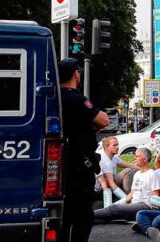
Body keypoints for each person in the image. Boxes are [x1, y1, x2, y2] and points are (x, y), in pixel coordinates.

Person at [59, 57, 109, 242]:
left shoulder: (53, 97)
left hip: (60, 167)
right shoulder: (75, 99)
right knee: (83, 217)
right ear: (75, 74)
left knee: (63, 217)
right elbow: (103, 121)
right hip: (79, 168)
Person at [94, 148, 160, 222]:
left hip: (145, 205)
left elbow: (155, 194)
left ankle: (87, 216)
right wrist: (118, 203)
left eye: (137, 156)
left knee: (114, 209)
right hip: (134, 204)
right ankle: (87, 218)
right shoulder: (137, 174)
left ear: (145, 159)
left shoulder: (151, 173)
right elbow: (131, 194)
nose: (135, 158)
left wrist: (155, 213)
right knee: (113, 209)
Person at [97, 137, 130, 207]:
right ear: (106, 147)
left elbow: (125, 164)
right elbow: (109, 183)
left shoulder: (114, 157)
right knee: (127, 171)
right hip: (99, 190)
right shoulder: (105, 161)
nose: (117, 147)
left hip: (107, 184)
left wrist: (140, 167)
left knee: (129, 170)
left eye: (117, 144)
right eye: (114, 145)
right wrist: (126, 199)